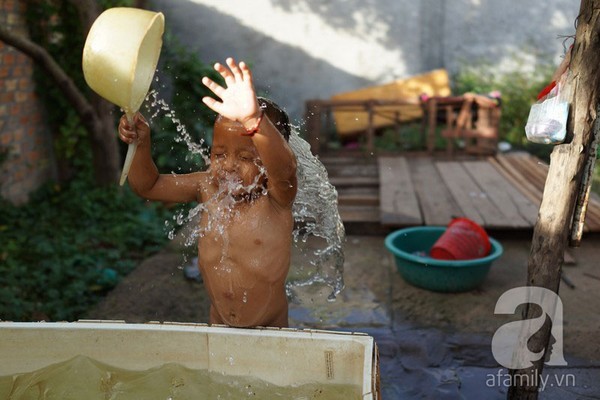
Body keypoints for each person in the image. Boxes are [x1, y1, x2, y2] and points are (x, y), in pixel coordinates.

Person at [118, 57, 297, 328]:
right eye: (219, 154)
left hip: (270, 325)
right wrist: (141, 145)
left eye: (246, 158)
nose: (229, 166)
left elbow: (284, 169)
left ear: (266, 162)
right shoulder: (206, 187)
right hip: (218, 320)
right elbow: (148, 186)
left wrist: (253, 121)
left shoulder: (277, 199)